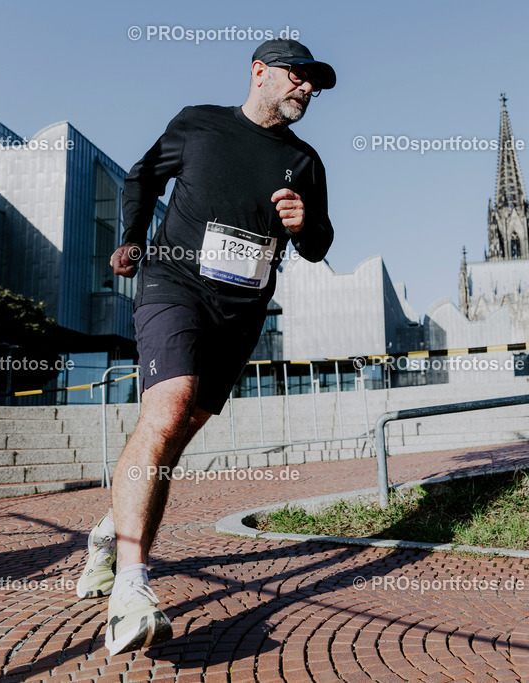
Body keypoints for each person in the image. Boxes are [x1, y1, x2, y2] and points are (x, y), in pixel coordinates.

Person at [74, 38, 336, 656]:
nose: (307, 90)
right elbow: (142, 175)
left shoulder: (306, 162)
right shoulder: (200, 124)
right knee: (165, 412)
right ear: (260, 72)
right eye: (298, 77)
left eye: (315, 85)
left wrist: (307, 224)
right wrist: (133, 238)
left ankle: (111, 532)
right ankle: (131, 591)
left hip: (241, 314)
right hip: (174, 286)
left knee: (180, 427)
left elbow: (321, 244)